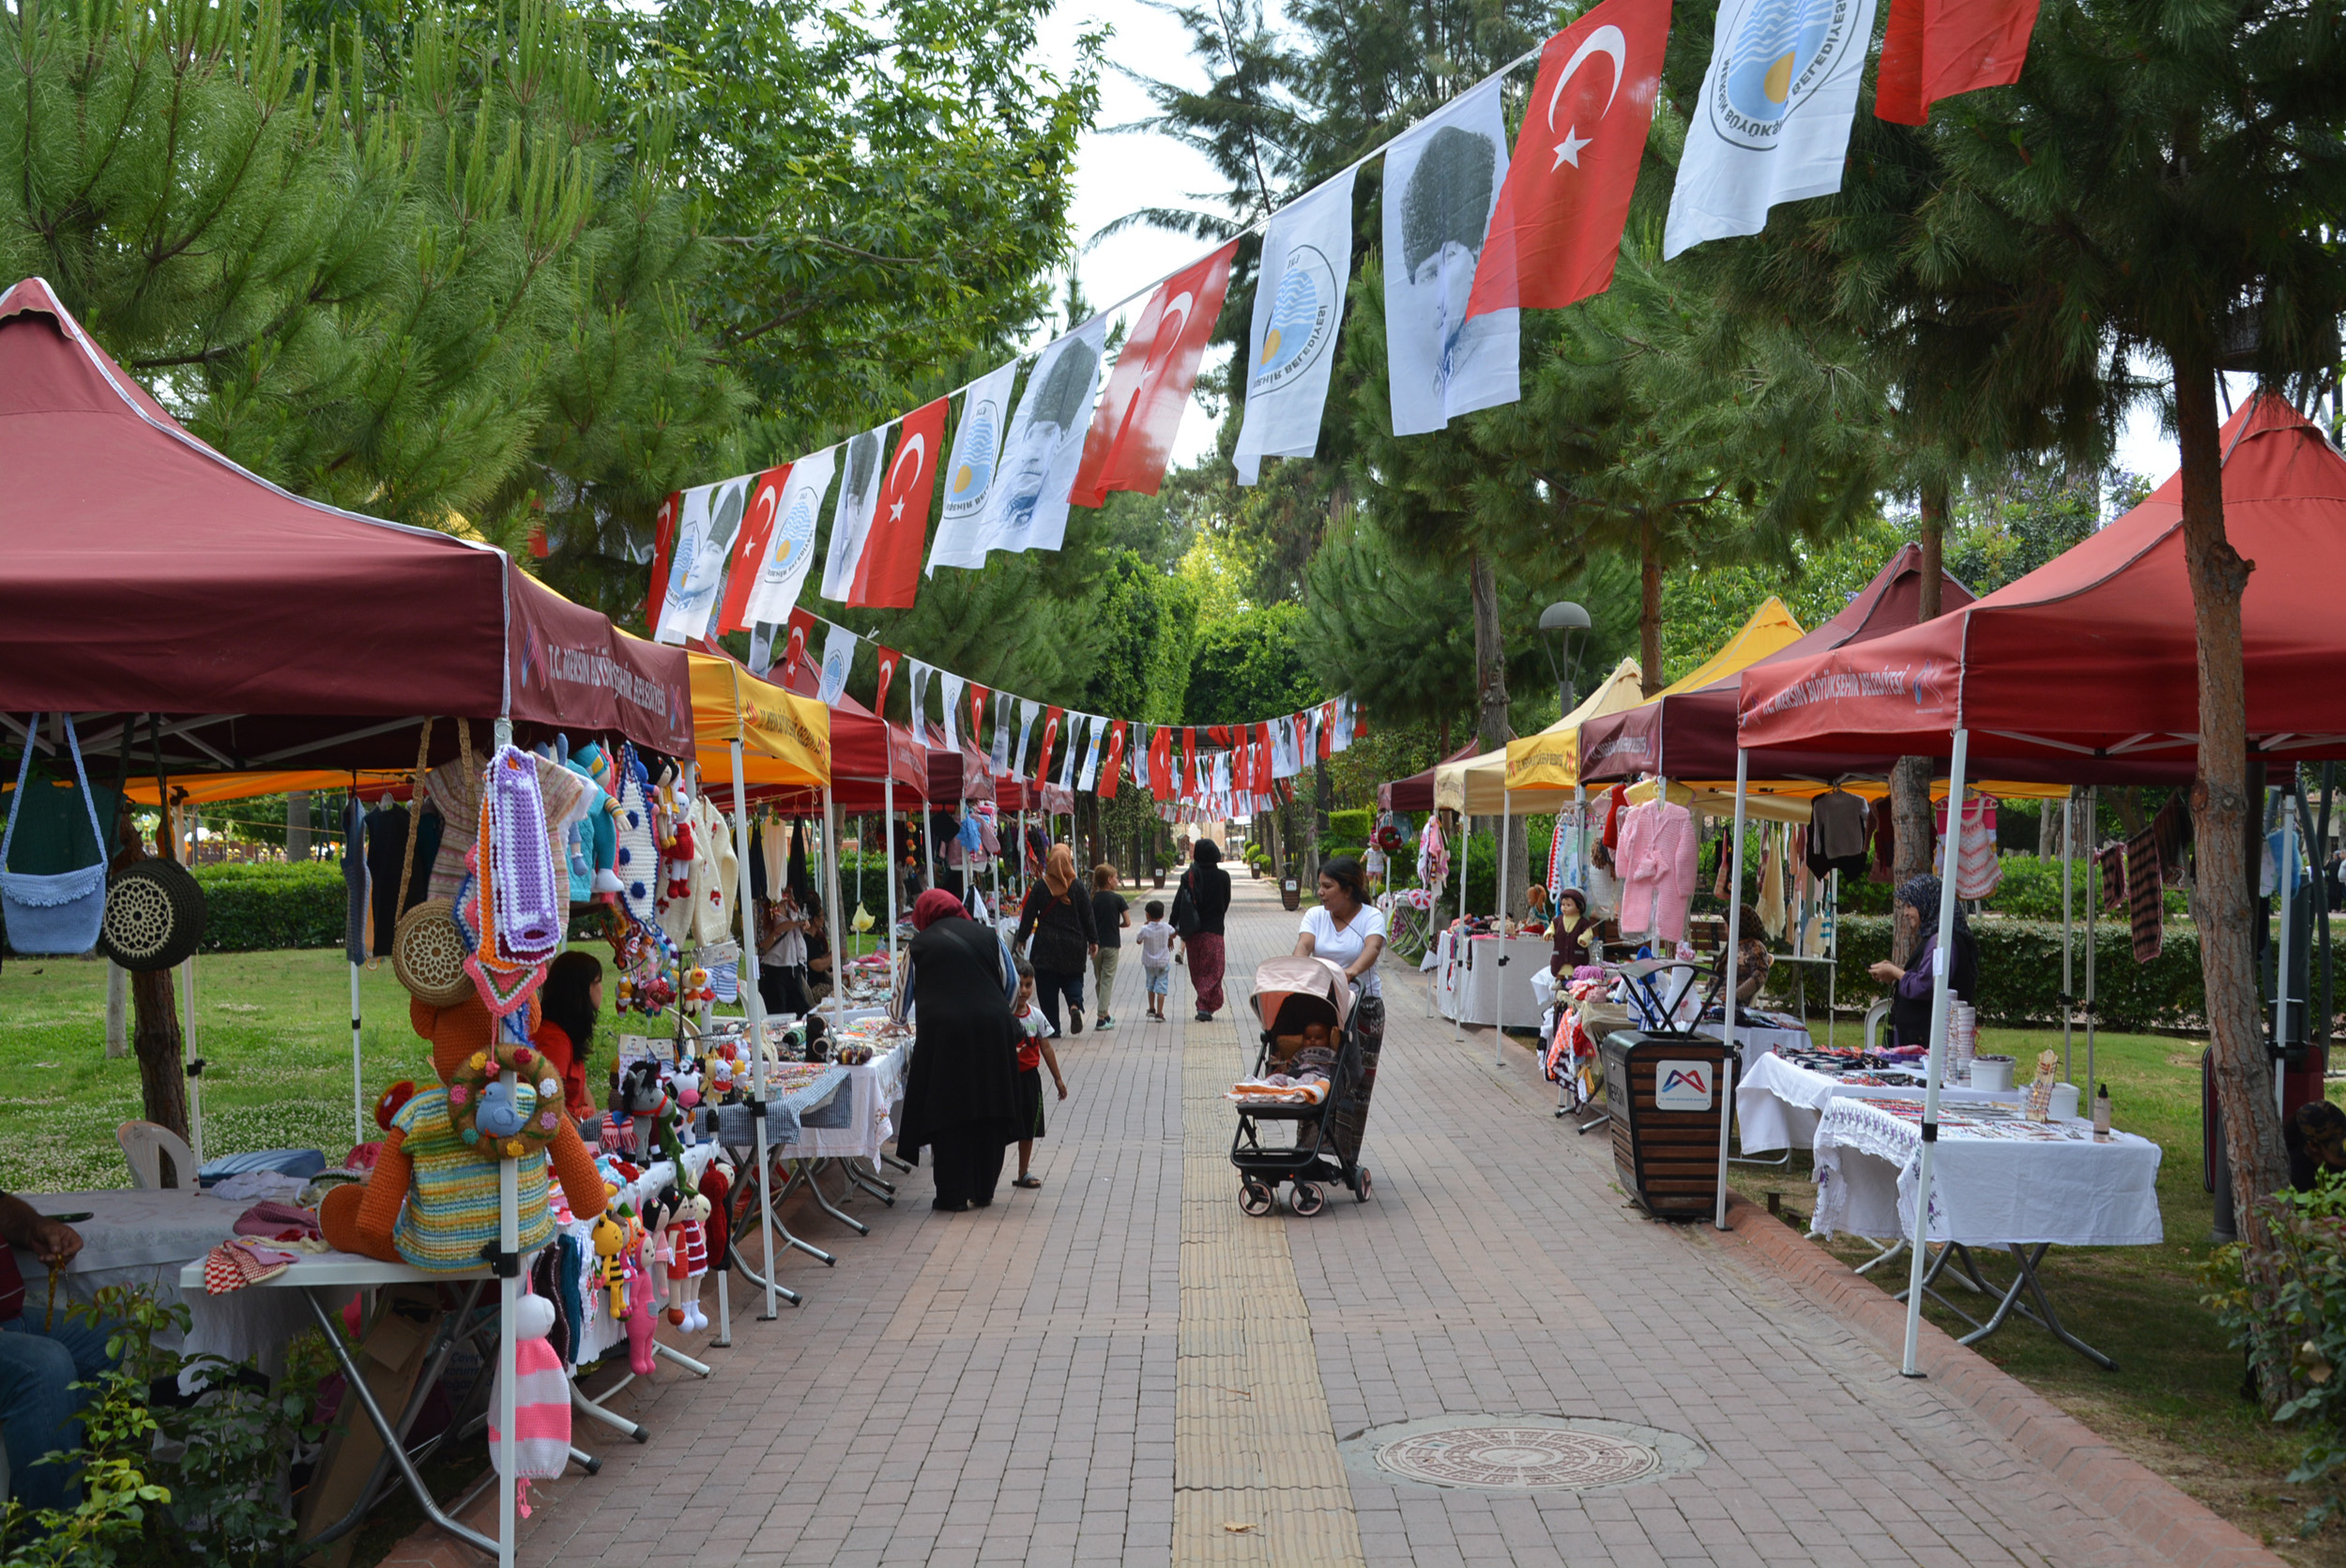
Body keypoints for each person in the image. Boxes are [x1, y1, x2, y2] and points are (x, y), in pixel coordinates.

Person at [896, 891, 1024, 1211]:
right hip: (992, 1033)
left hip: (944, 1039)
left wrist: (897, 1019)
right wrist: (993, 1013)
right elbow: (1011, 986)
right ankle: (984, 1190)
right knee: (989, 1106)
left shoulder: (918, 946)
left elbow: (900, 1006)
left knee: (949, 1112)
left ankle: (953, 1194)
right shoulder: (988, 936)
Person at [0, 1195, 113, 1514]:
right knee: (44, 1367)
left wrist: (36, 1227)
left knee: (110, 1340)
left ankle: (64, 1489)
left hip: (10, 1320)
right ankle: (50, 1545)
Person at [1868, 875, 1980, 1047]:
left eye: (1910, 906)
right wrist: (1894, 972)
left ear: (1927, 903)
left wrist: (1894, 972)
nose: (1905, 913)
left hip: (1927, 1044)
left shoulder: (1942, 942)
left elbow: (1926, 986)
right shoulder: (1938, 939)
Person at [1014, 845, 1098, 1034]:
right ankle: (1075, 1006)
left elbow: (1028, 915)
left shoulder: (1040, 886)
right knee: (1074, 979)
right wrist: (1093, 940)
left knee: (1047, 988)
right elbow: (1088, 915)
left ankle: (1052, 1029)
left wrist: (1022, 939)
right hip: (1074, 945)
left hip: (1046, 947)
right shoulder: (1078, 886)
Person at [1008, 957, 1069, 1189]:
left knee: (1029, 1126)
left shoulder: (1037, 1016)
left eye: (1028, 985)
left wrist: (1058, 1079)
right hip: (1009, 1079)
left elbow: (1046, 1047)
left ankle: (1023, 1171)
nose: (1023, 991)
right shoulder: (1004, 1014)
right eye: (1019, 985)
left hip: (1030, 1078)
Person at [534, 950, 603, 1120]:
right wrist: (580, 1138)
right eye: (598, 982)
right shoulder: (555, 1041)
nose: (602, 989)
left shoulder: (566, 1033)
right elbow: (549, 1102)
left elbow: (582, 1087)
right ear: (583, 989)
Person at [1181, 840, 1232, 1022]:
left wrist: (1174, 926)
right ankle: (1204, 1004)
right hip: (1215, 930)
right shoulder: (1223, 877)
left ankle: (1204, 1004)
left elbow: (1180, 902)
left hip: (1193, 931)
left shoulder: (1189, 876)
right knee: (1215, 968)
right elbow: (1226, 901)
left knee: (1198, 970)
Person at [757, 893, 813, 1016]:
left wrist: (802, 928)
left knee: (801, 1011)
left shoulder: (792, 907)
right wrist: (779, 930)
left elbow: (793, 939)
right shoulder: (765, 910)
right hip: (774, 969)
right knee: (778, 1012)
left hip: (794, 967)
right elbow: (761, 949)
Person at [1089, 864, 1130, 1031]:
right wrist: (1116, 925)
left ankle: (1105, 1014)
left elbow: (1087, 922)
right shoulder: (1118, 899)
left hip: (1095, 945)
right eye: (1115, 877)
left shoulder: (1092, 899)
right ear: (1108, 880)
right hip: (1112, 944)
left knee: (1100, 980)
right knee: (1107, 980)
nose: (1117, 881)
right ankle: (1100, 1018)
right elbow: (1128, 922)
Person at [1135, 900, 1176, 1023]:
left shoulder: (1145, 929)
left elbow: (1138, 940)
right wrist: (1169, 938)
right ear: (1162, 915)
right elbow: (1173, 934)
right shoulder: (1165, 927)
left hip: (1149, 963)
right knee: (1161, 986)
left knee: (1150, 985)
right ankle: (1160, 1013)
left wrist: (1145, 925)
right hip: (1163, 963)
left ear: (1147, 915)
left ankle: (1151, 1008)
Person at [1548, 889, 1597, 976]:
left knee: (1576, 973)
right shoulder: (1557, 921)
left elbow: (1589, 933)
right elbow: (1551, 928)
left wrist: (1583, 939)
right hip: (1559, 958)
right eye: (1563, 904)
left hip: (1577, 958)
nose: (1565, 907)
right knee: (1559, 971)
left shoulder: (1583, 923)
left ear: (1579, 907)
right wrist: (1549, 933)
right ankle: (1560, 979)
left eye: (1568, 905)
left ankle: (1573, 980)